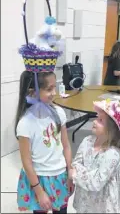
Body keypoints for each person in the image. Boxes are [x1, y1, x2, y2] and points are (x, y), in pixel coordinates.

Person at [15, 71, 74, 214]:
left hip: (60, 175)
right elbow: (26, 161)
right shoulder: (25, 123)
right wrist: (39, 192)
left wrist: (69, 171)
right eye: (49, 89)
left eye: (55, 87)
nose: (54, 93)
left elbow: (65, 145)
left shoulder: (59, 113)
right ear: (32, 92)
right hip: (39, 179)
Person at [69, 99, 120, 213]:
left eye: (100, 120)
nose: (95, 122)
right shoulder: (87, 141)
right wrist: (85, 173)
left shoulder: (112, 154)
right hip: (84, 200)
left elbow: (96, 182)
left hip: (103, 205)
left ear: (112, 130)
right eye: (97, 118)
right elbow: (76, 163)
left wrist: (76, 174)